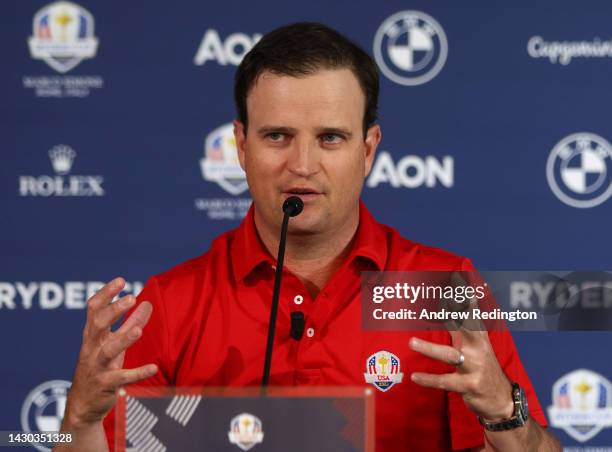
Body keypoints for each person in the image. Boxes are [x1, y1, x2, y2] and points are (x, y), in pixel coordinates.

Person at [57, 22, 561, 451]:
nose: (301, 166)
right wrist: (78, 425)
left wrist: (503, 412)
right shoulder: (169, 305)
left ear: (367, 150)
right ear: (241, 146)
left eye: (330, 138)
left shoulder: (442, 289)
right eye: (277, 136)